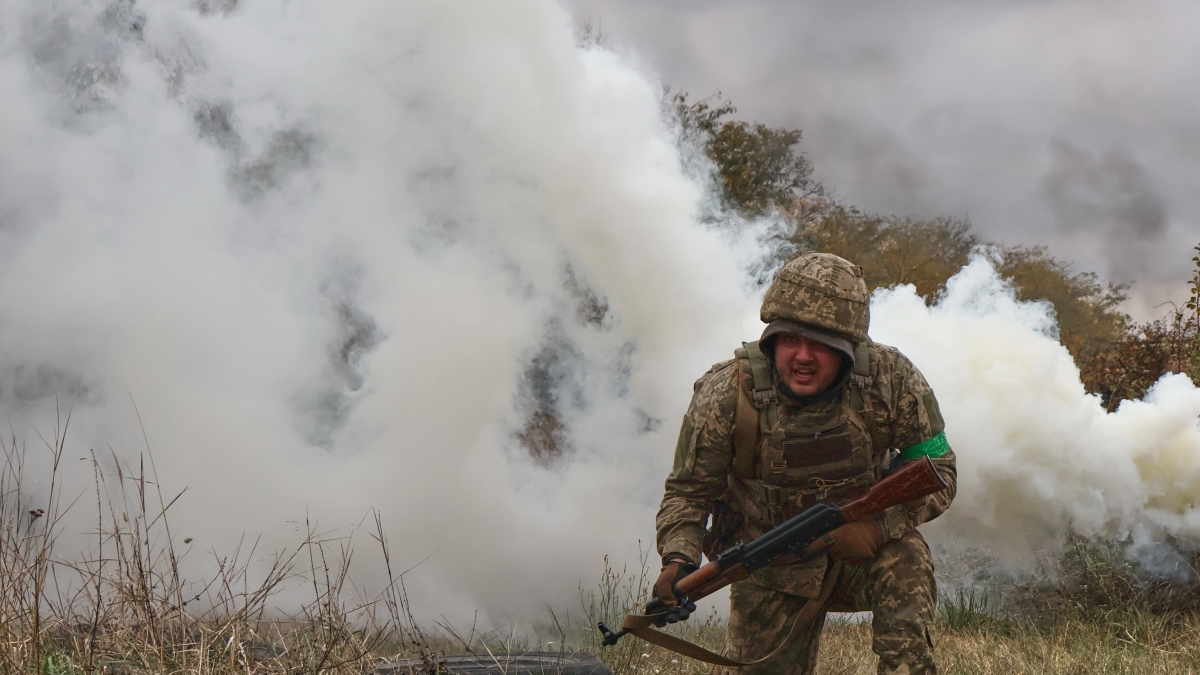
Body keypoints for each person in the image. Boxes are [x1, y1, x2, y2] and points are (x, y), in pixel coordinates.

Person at [654, 252, 957, 675]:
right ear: (771, 339)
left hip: (863, 558)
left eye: (822, 345)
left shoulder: (892, 380)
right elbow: (688, 493)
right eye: (790, 340)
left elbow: (938, 469)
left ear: (849, 349)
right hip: (770, 566)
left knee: (906, 558)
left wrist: (877, 526)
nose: (802, 357)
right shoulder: (728, 394)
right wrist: (679, 558)